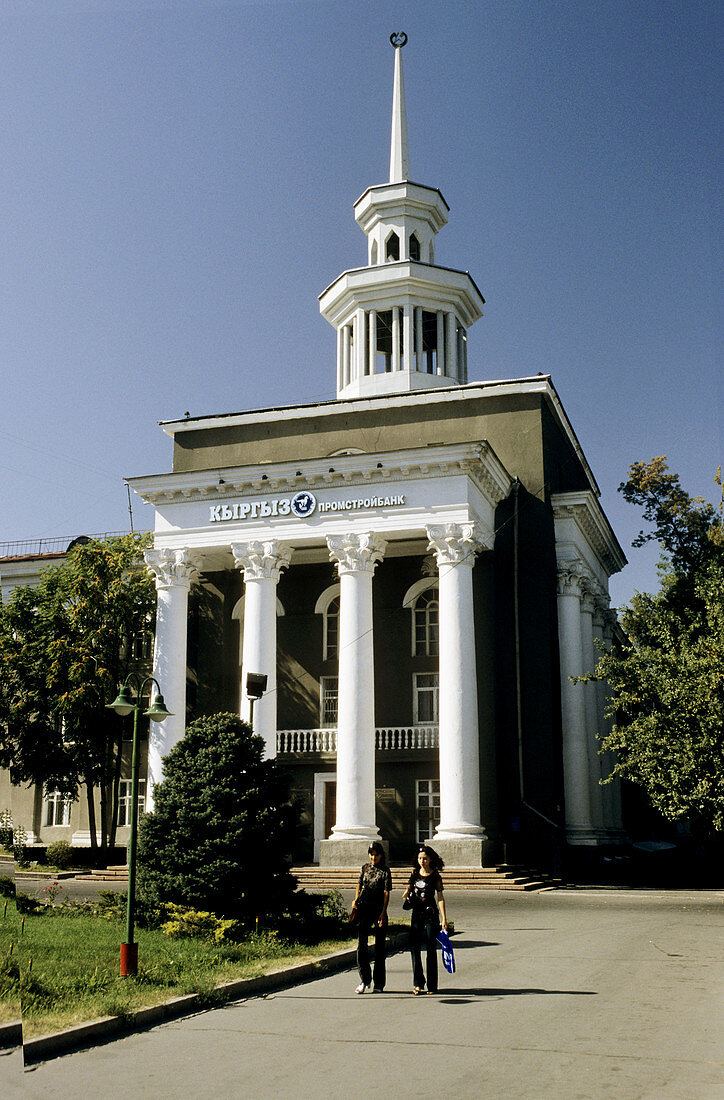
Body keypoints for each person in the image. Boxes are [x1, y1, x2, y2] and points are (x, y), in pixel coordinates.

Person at [402, 844, 448, 995]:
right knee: (415, 947)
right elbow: (409, 889)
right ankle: (418, 983)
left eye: (425, 859)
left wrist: (444, 919)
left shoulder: (435, 876)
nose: (422, 861)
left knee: (430, 948)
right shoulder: (415, 874)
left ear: (430, 859)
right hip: (417, 913)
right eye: (420, 858)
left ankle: (432, 985)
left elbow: (440, 898)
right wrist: (406, 893)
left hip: (430, 914)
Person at [350, 841, 392, 993]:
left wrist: (383, 912)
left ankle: (379, 984)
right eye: (371, 854)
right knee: (362, 946)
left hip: (378, 909)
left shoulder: (385, 871)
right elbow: (359, 885)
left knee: (380, 948)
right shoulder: (365, 868)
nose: (373, 858)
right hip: (364, 908)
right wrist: (355, 900)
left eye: (376, 855)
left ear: (381, 855)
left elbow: (386, 892)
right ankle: (364, 980)